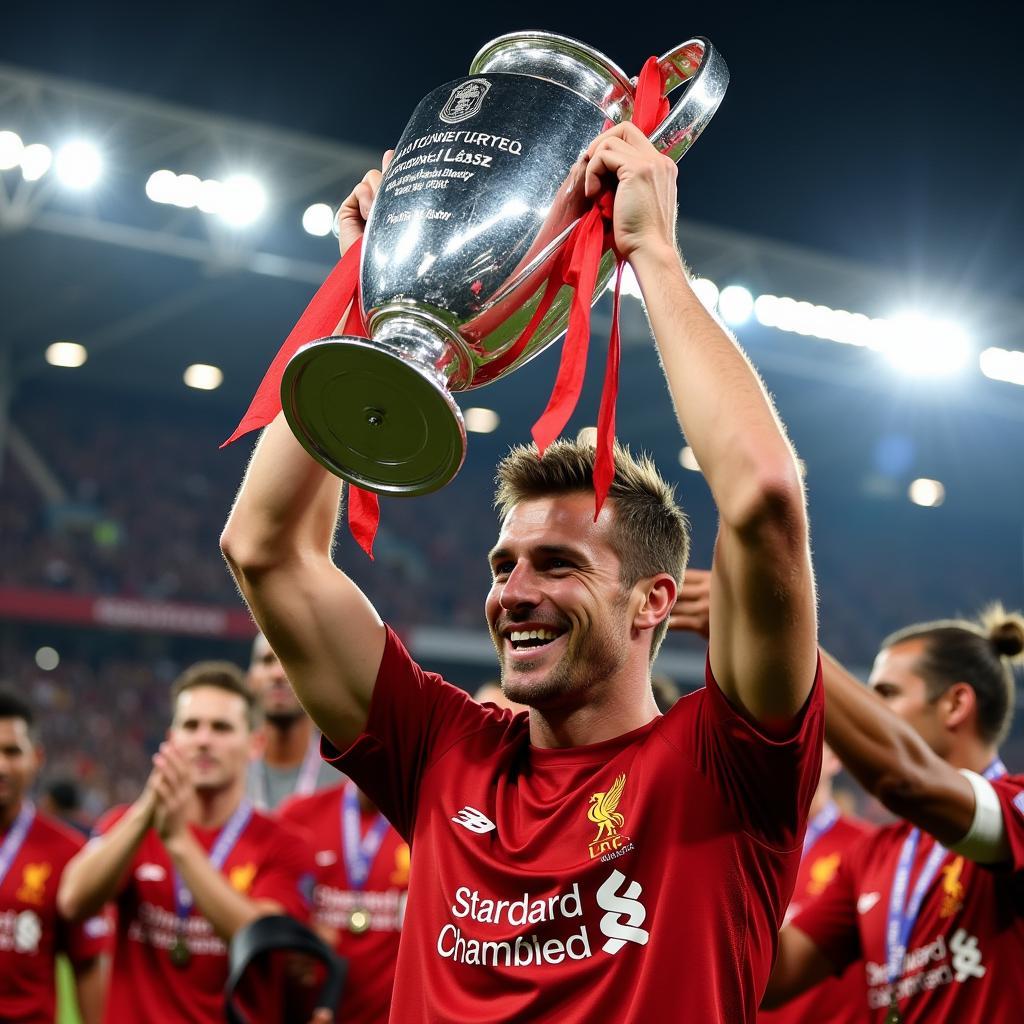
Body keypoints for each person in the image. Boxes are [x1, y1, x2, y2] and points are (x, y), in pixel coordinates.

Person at [220, 123, 822, 1022]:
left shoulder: (728, 766)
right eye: (504, 565)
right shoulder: (443, 753)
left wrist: (652, 252)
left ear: (653, 599)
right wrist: (373, 305)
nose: (513, 594)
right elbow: (266, 550)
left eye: (559, 564)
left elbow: (766, 497)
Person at [762, 606, 1024, 1022]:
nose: (870, 711)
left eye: (885, 695)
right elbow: (772, 979)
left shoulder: (1018, 808)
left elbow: (906, 781)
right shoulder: (875, 853)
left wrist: (775, 638)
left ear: (955, 704)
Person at [58, 661, 319, 1024]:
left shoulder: (285, 844)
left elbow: (265, 942)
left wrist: (179, 843)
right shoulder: (128, 825)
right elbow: (73, 902)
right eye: (191, 726)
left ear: (254, 744)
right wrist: (148, 807)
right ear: (171, 739)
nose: (203, 740)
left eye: (221, 727)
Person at [672, 568, 873, 1023]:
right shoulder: (722, 845)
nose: (792, 750)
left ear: (839, 757)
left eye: (811, 735)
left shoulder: (866, 853)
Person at [0, 688, 108, 1024]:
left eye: (12, 751)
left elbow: (87, 964)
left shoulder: (69, 854)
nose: (1, 765)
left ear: (37, 758)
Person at [280, 781, 409, 1024]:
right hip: (312, 1011)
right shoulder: (298, 816)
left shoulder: (427, 820)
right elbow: (272, 917)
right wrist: (296, 936)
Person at [246, 632, 341, 810]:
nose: (278, 674)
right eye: (267, 661)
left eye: (292, 661)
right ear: (250, 679)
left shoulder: (346, 779)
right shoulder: (230, 769)